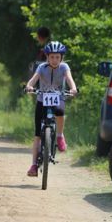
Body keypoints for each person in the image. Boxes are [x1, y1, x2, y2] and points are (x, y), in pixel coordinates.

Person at [24, 41, 77, 177]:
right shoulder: (41, 67)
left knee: (59, 112)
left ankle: (59, 135)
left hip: (58, 98)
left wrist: (73, 88)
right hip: (42, 100)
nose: (54, 60)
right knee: (37, 135)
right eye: (52, 57)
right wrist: (29, 86)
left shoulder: (64, 67)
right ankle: (34, 165)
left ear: (61, 58)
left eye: (57, 57)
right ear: (47, 57)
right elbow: (33, 79)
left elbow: (70, 79)